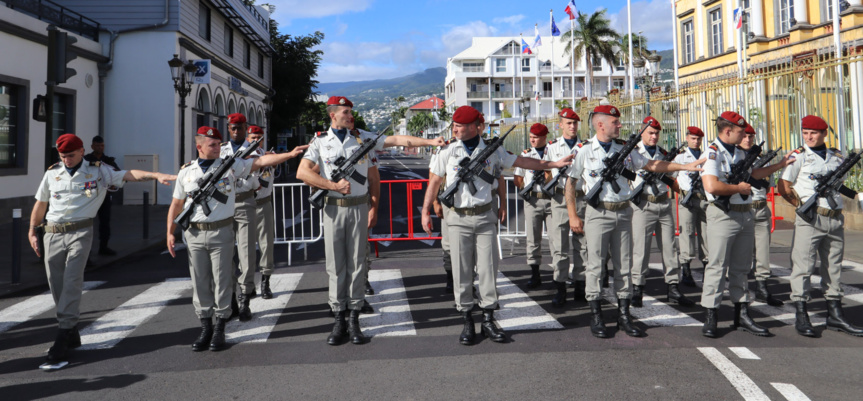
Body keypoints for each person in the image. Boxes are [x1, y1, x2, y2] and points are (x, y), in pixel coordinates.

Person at [297, 96, 444, 346]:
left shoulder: (362, 138)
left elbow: (397, 140)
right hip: (333, 209)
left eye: (351, 111)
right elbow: (302, 172)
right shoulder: (320, 142)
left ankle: (354, 319)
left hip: (358, 208)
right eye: (345, 112)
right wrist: (332, 185)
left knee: (357, 264)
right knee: (335, 265)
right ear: (333, 115)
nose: (350, 115)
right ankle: (338, 319)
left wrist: (430, 141)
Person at [421, 105, 572, 345]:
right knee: (462, 271)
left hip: (484, 218)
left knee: (488, 269)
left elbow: (521, 161)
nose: (455, 129)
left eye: (460, 126)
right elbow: (435, 180)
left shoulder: (493, 150)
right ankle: (468, 319)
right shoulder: (448, 150)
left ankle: (489, 318)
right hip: (458, 219)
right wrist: (426, 210)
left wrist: (552, 165)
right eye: (455, 125)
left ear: (474, 126)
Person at [29, 133, 176, 364]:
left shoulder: (98, 170)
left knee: (72, 280)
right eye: (62, 155)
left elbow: (127, 174)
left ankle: (63, 332)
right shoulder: (52, 172)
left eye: (70, 155)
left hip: (80, 232)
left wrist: (155, 174)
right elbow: (41, 202)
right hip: (52, 234)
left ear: (81, 151)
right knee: (56, 284)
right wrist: (32, 230)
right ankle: (72, 330)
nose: (66, 159)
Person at [565, 105, 702, 339]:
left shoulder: (625, 150)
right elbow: (571, 182)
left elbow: (651, 165)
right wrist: (572, 215)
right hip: (598, 213)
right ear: (601, 125)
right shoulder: (585, 151)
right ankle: (596, 315)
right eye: (615, 122)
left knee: (624, 265)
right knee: (596, 266)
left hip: (624, 212)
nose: (620, 125)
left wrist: (683, 166)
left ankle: (624, 315)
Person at [167, 126, 307, 352]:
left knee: (222, 279)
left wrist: (290, 154)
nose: (216, 148)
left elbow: (259, 163)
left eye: (217, 144)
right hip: (193, 233)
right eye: (212, 144)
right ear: (199, 146)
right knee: (200, 281)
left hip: (221, 231)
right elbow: (176, 204)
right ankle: (206, 326)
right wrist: (169, 232)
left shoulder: (230, 166)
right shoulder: (187, 172)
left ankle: (220, 327)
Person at [699, 111, 792, 338]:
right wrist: (737, 189)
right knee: (717, 266)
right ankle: (711, 315)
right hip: (722, 214)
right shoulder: (712, 153)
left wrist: (779, 164)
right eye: (741, 131)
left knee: (742, 268)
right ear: (728, 130)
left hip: (745, 214)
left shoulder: (740, 153)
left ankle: (741, 313)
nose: (744, 136)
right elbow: (711, 186)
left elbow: (754, 174)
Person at [778, 115, 863, 337]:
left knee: (833, 267)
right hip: (811, 218)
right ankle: (801, 313)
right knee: (803, 266)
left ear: (824, 133)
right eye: (805, 133)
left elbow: (840, 186)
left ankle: (835, 314)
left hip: (834, 217)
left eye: (813, 133)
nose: (809, 137)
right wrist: (801, 207)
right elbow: (784, 186)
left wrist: (857, 196)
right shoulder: (798, 156)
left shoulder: (836, 156)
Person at [630, 117, 694, 308]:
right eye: (650, 133)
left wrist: (671, 182)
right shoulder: (634, 153)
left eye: (657, 133)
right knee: (641, 249)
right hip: (643, 204)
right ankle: (637, 288)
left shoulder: (664, 154)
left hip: (663, 204)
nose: (654, 136)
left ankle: (673, 286)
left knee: (669, 247)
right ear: (642, 133)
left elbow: (672, 180)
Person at [546, 108, 588, 302]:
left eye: (575, 123)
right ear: (560, 124)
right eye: (568, 123)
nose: (572, 127)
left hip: (581, 198)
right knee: (559, 247)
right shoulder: (552, 147)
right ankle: (560, 286)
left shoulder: (586, 146)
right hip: (560, 200)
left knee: (583, 245)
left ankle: (581, 283)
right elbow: (547, 173)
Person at [740, 124, 783, 307]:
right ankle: (740, 291)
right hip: (744, 209)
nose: (748, 139)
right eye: (745, 136)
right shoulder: (735, 158)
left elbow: (768, 185)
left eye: (751, 136)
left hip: (761, 208)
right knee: (742, 253)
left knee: (763, 251)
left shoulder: (762, 161)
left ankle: (762, 288)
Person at [220, 113, 258, 321]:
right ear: (228, 128)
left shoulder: (254, 151)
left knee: (245, 254)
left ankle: (245, 298)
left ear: (246, 128)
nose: (236, 132)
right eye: (233, 128)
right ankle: (231, 299)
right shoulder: (222, 150)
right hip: (224, 204)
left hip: (244, 202)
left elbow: (255, 180)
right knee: (225, 255)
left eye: (240, 128)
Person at [513, 124, 554, 299]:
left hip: (552, 199)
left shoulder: (552, 152)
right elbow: (518, 177)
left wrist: (546, 176)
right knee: (533, 238)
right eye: (531, 137)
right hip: (533, 199)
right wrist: (525, 188)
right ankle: (535, 273)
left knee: (555, 238)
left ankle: (558, 275)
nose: (532, 140)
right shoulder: (526, 153)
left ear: (545, 137)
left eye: (536, 137)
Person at [673, 126, 708, 287]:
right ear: (687, 138)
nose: (696, 141)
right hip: (687, 199)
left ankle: (707, 266)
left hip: (703, 199)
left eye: (698, 139)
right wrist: (680, 191)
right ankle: (686, 269)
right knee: (686, 233)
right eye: (693, 138)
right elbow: (670, 176)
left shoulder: (706, 156)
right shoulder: (680, 158)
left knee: (705, 234)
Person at [246, 125, 275, 299]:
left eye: (259, 138)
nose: (256, 141)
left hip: (264, 203)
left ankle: (265, 281)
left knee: (266, 245)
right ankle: (248, 285)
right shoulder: (242, 157)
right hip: (245, 204)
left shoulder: (268, 156)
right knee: (246, 247)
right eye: (253, 138)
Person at [83, 136, 121, 256]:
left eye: (102, 145)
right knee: (86, 224)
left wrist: (114, 185)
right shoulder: (86, 160)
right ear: (92, 146)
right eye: (97, 145)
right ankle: (86, 253)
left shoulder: (108, 160)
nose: (100, 148)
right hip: (89, 196)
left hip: (104, 196)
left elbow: (118, 174)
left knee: (105, 222)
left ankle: (103, 247)